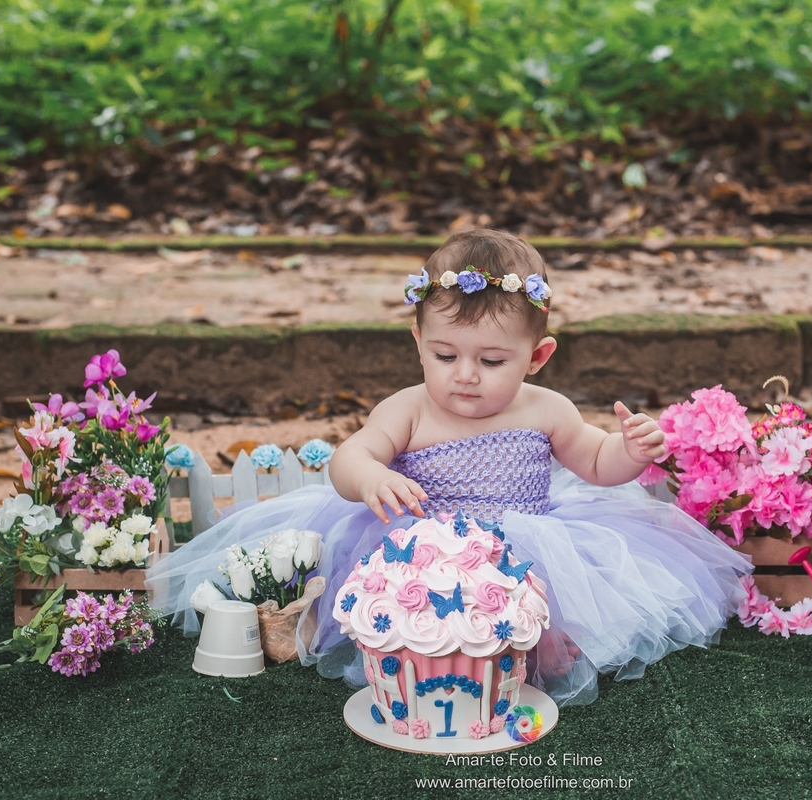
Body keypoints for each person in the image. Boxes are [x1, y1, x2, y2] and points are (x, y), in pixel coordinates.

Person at [147, 229, 751, 706]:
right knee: (413, 616)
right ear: (418, 341)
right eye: (445, 354)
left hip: (524, 542)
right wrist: (372, 478)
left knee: (527, 601)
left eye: (491, 360)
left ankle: (540, 643)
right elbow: (349, 457)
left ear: (537, 356)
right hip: (417, 548)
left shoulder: (548, 409)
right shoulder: (409, 408)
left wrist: (631, 452)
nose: (464, 374)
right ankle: (423, 656)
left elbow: (595, 462)